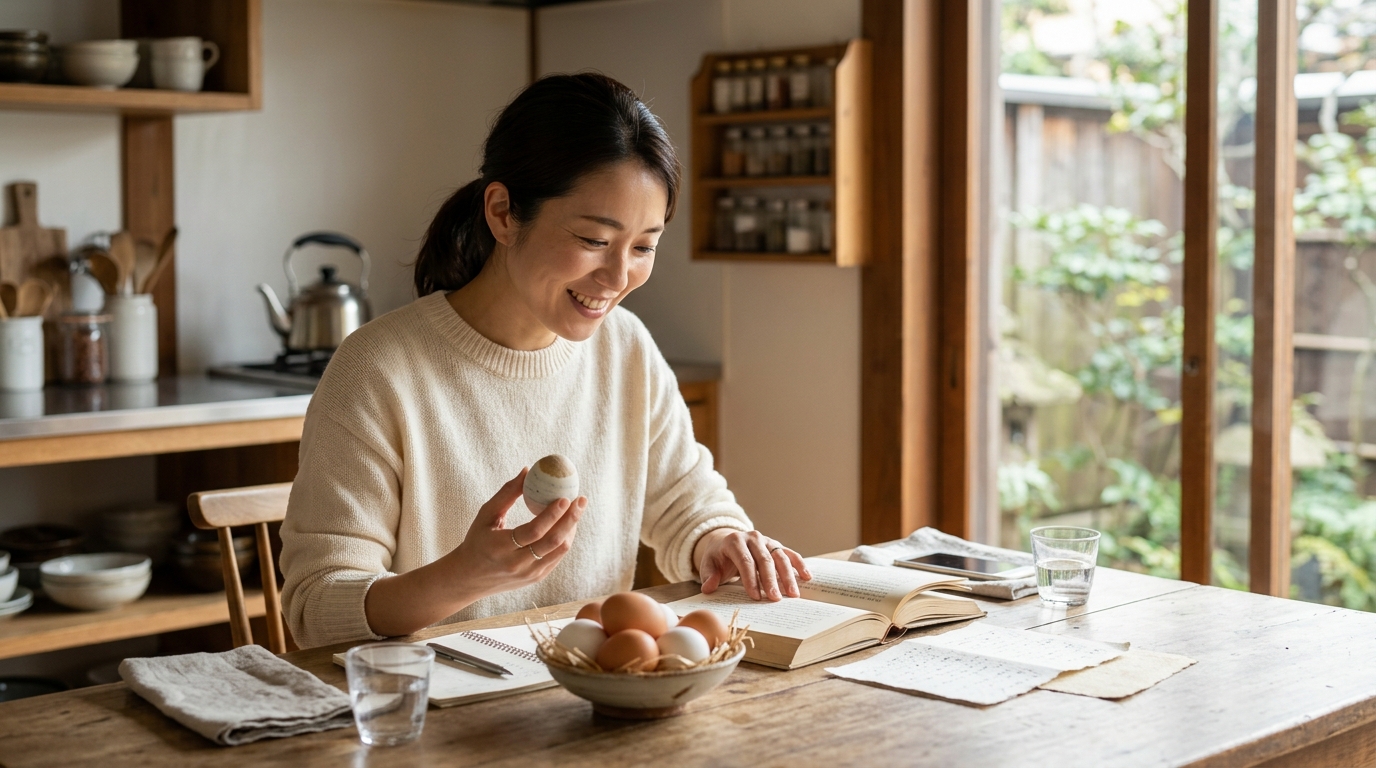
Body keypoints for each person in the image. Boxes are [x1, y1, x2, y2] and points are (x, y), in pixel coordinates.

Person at [280, 73, 811, 649]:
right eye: (594, 240)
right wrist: (462, 576)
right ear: (503, 212)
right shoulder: (378, 369)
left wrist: (720, 539)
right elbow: (315, 606)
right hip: (434, 698)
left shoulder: (625, 348)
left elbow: (687, 500)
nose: (617, 277)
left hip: (590, 692)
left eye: (643, 246)